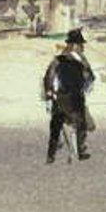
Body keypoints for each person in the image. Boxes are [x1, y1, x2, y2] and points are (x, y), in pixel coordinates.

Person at [42, 28, 95, 163]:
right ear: (75, 45)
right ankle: (81, 151)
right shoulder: (81, 60)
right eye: (81, 45)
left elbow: (48, 77)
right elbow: (90, 77)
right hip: (74, 98)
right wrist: (84, 86)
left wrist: (49, 92)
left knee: (56, 126)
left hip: (60, 97)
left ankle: (51, 155)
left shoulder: (58, 59)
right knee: (81, 124)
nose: (82, 47)